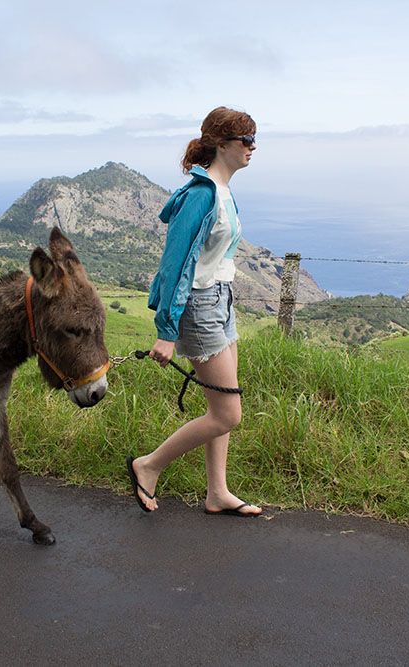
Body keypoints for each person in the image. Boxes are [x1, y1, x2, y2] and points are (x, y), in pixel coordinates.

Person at [125, 106, 262, 517]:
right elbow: (173, 265)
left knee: (220, 409)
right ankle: (147, 466)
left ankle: (217, 493)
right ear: (222, 145)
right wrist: (166, 330)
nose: (253, 148)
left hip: (221, 298)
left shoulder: (223, 191)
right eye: (246, 141)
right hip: (199, 305)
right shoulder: (201, 196)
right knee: (228, 414)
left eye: (254, 140)